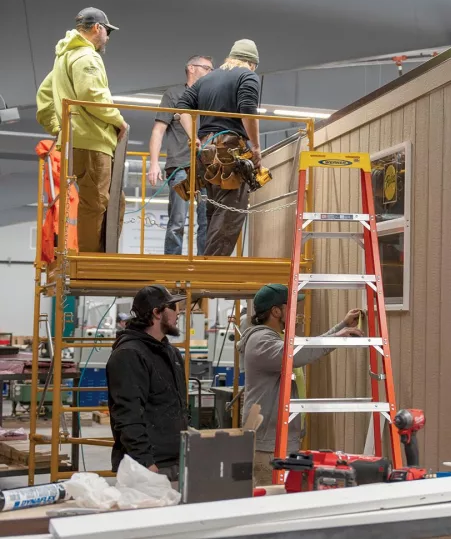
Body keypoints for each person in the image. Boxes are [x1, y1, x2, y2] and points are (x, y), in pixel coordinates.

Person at [239, 284, 364, 486]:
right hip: (268, 447)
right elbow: (299, 353)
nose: (297, 312)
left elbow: (306, 345)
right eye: (292, 306)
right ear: (276, 311)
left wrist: (341, 326)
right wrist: (339, 337)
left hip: (280, 441)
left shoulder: (275, 338)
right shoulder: (261, 341)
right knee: (272, 504)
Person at [36, 7, 129, 254]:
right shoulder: (87, 57)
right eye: (107, 31)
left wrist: (59, 128)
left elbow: (44, 96)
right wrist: (119, 120)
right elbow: (93, 95)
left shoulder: (64, 56)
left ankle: (100, 255)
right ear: (97, 28)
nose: (108, 37)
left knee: (110, 201)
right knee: (96, 203)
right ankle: (92, 259)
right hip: (93, 141)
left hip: (76, 141)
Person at [176, 39, 262, 257]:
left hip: (205, 154)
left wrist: (193, 136)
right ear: (252, 63)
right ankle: (207, 280)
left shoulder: (206, 79)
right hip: (229, 154)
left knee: (213, 213)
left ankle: (203, 275)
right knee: (229, 216)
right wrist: (257, 148)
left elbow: (181, 107)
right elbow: (248, 112)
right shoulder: (247, 76)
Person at [106, 285, 188, 481]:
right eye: (173, 307)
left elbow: (178, 407)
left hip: (177, 461)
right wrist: (145, 463)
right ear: (157, 313)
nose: (179, 312)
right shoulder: (129, 355)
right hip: (148, 467)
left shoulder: (170, 352)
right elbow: (127, 415)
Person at [148, 55, 214, 255]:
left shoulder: (210, 98)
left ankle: (204, 267)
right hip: (179, 166)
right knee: (177, 220)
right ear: (192, 68)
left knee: (206, 221)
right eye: (208, 68)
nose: (211, 73)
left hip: (207, 168)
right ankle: (172, 265)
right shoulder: (173, 95)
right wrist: (153, 164)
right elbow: (158, 131)